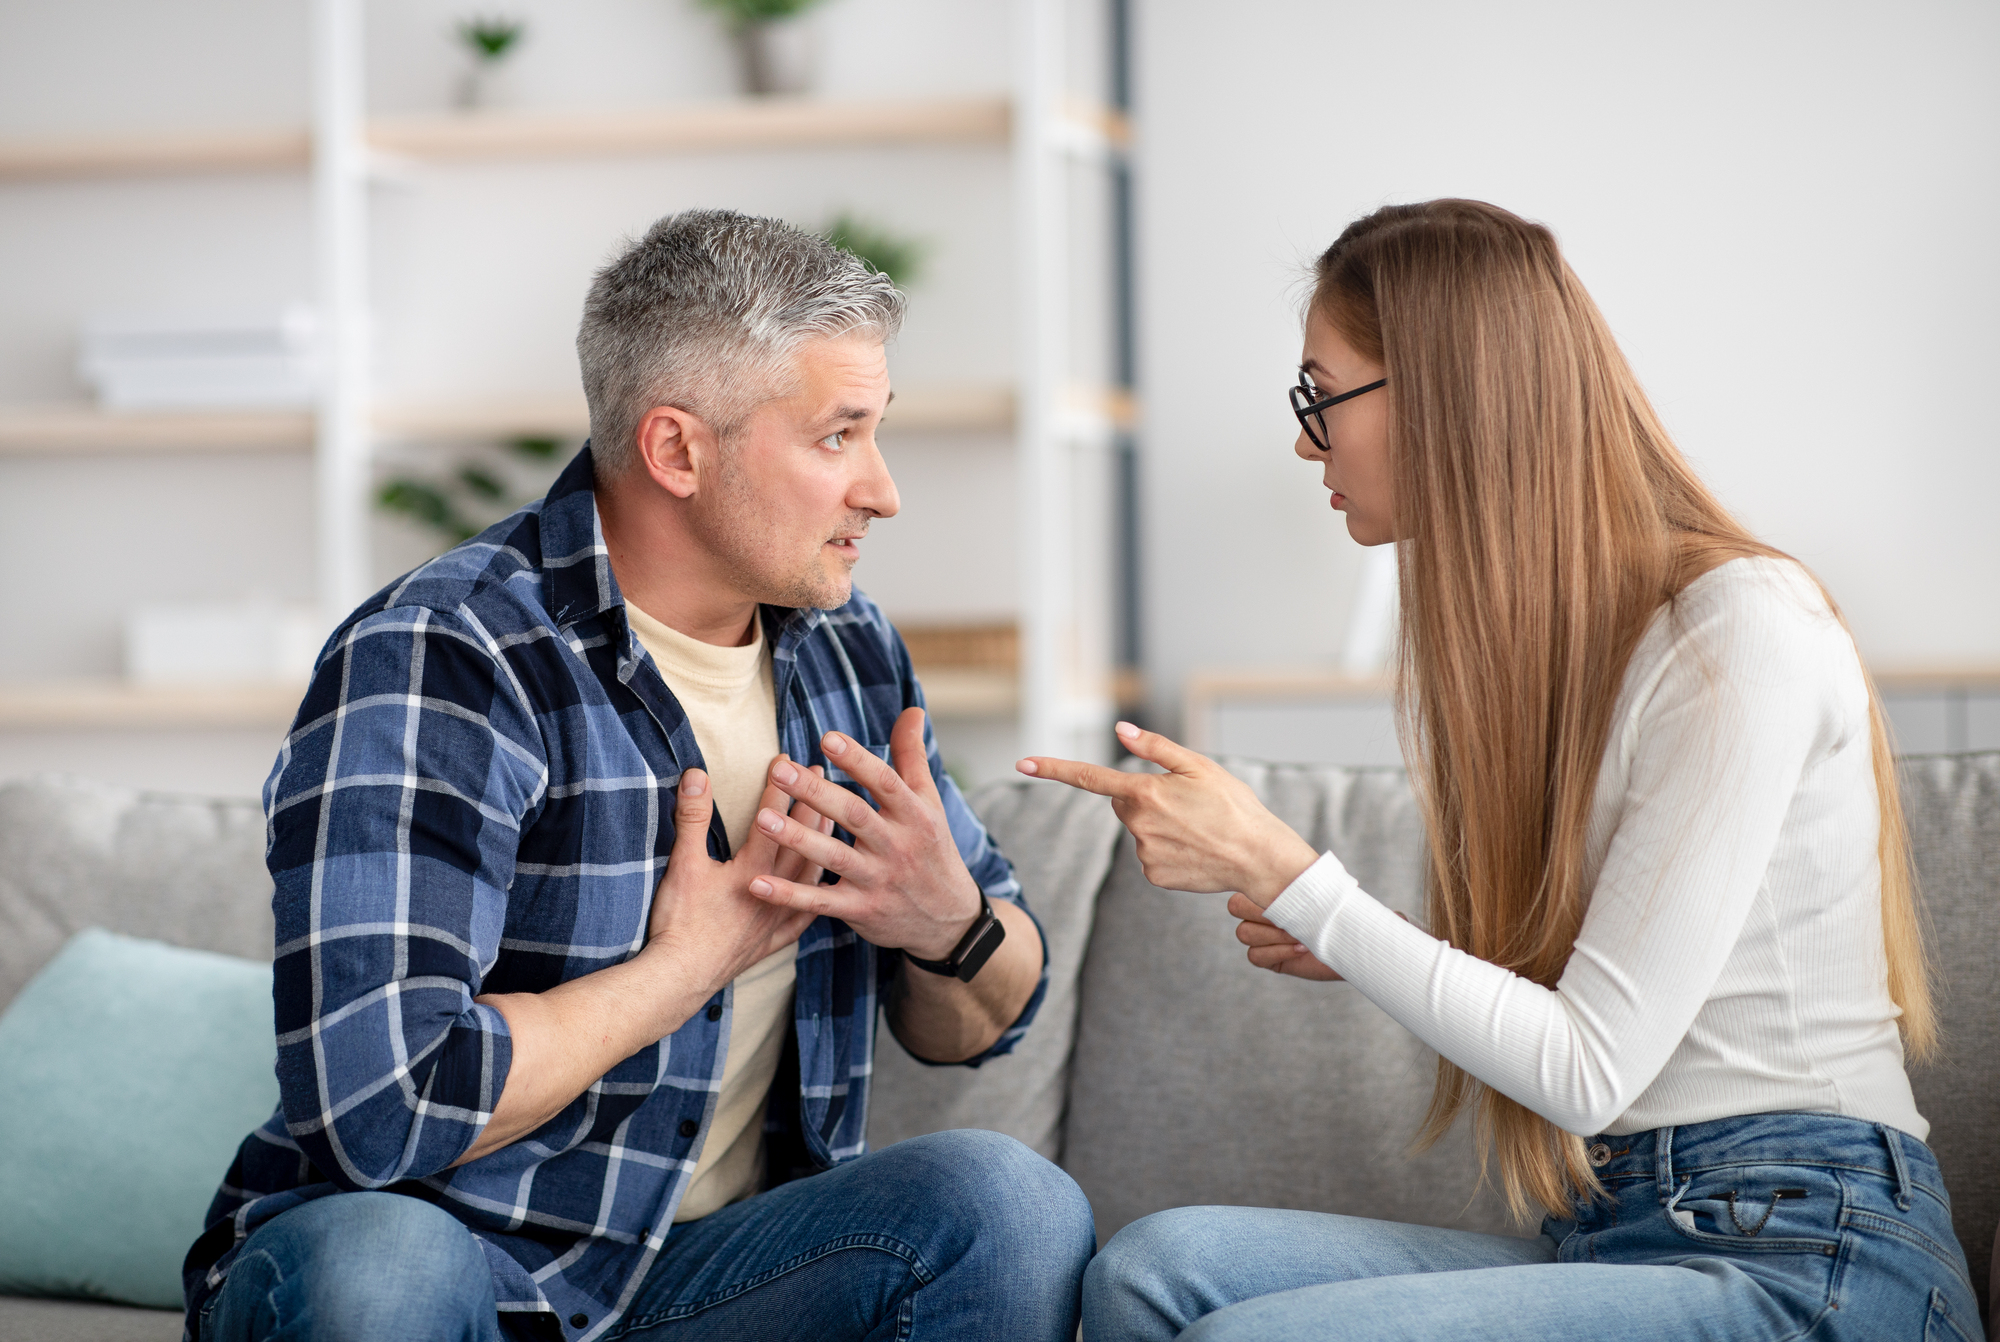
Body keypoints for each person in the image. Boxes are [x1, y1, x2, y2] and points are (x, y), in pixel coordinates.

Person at [1022, 199, 1978, 1342]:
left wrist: (1294, 879)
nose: (1302, 438)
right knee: (1155, 1270)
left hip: (1809, 1254)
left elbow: (1586, 1070)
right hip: (1621, 1226)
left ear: (1438, 392)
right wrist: (1361, 936)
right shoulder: (1560, 666)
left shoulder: (1740, 630)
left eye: (1320, 395)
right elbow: (1603, 999)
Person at [183, 209, 1094, 1342]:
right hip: (450, 1256)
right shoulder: (447, 654)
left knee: (1005, 1205)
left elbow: (981, 1022)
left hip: (701, 1276)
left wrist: (945, 922)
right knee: (382, 1269)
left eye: (877, 431)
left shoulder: (847, 648)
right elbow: (382, 1106)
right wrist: (691, 963)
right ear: (676, 450)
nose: (881, 489)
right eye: (836, 436)